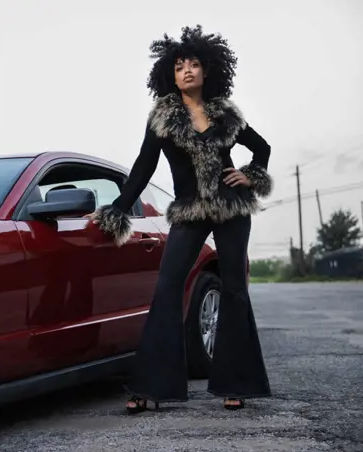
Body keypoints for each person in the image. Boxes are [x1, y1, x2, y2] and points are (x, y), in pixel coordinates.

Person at [89, 25, 273, 413]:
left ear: (207, 71)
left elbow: (262, 147)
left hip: (231, 209)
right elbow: (143, 166)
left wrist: (251, 173)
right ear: (169, 75)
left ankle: (235, 384)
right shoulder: (162, 117)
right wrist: (119, 207)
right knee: (168, 286)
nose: (186, 70)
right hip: (189, 210)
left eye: (193, 64)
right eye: (178, 66)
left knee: (235, 290)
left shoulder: (226, 113)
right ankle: (151, 387)